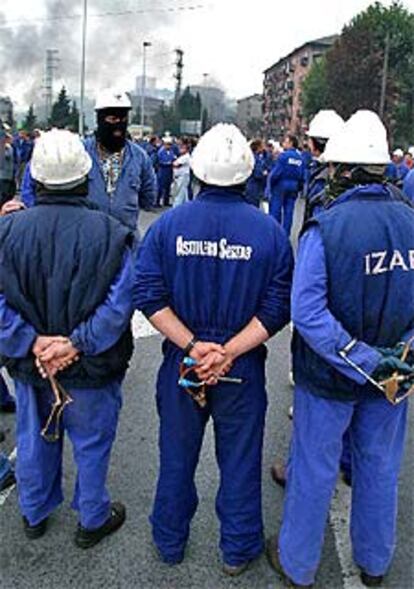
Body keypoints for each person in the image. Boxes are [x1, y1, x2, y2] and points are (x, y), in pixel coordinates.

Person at [134, 123, 293, 576]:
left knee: (177, 456)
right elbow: (277, 307)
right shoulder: (270, 233)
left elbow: (148, 295)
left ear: (198, 171)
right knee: (241, 459)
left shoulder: (168, 227)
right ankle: (238, 549)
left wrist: (193, 345)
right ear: (247, 173)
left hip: (183, 360)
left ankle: (169, 541)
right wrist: (226, 351)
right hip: (240, 365)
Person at [266, 110, 414, 588]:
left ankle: (298, 565)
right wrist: (398, 357)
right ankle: (374, 563)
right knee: (378, 469)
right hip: (393, 379)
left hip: (329, 379)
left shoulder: (326, 228)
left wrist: (364, 358)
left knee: (312, 470)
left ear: (346, 170)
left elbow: (307, 313)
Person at [0, 130, 134, 547]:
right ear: (85, 175)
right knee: (93, 445)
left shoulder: (7, 229)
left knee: (33, 437)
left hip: (32, 364)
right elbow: (119, 305)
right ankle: (92, 519)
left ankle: (34, 511)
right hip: (91, 365)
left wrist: (33, 343)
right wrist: (74, 344)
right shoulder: (113, 233)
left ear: (34, 177)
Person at [21, 90, 156, 231]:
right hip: (85, 238)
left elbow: (148, 198)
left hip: (125, 241)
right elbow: (34, 179)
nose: (118, 125)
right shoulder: (78, 151)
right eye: (112, 119)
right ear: (100, 119)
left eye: (123, 119)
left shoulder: (140, 157)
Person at [266, 134, 304, 237]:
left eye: (285, 141)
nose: (283, 143)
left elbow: (276, 173)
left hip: (280, 185)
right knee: (289, 212)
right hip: (294, 186)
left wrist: (270, 184)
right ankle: (285, 234)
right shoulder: (300, 158)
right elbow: (302, 175)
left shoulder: (283, 156)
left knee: (276, 210)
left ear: (291, 143)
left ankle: (275, 233)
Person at [245, 139, 268, 207]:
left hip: (248, 184)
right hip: (254, 187)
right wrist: (264, 173)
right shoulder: (256, 159)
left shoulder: (250, 157)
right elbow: (258, 174)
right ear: (258, 147)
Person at [156, 136, 176, 207]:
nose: (169, 146)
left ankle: (166, 201)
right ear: (164, 144)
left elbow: (173, 157)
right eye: (168, 144)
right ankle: (157, 202)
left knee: (168, 186)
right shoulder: (161, 151)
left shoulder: (171, 151)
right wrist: (169, 162)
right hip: (163, 170)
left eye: (170, 144)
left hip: (169, 170)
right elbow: (160, 161)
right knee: (160, 187)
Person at [172, 139, 191, 207]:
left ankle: (176, 207)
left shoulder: (186, 157)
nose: (180, 149)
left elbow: (175, 164)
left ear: (186, 149)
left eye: (183, 148)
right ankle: (187, 206)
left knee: (179, 194)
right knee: (184, 193)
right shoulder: (182, 156)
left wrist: (174, 163)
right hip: (180, 177)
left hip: (183, 176)